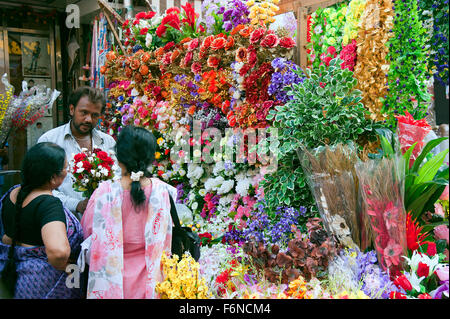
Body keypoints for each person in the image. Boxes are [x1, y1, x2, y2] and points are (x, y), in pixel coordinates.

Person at [80, 126, 176, 299]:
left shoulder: (104, 191)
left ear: (118, 157)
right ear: (150, 158)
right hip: (151, 278)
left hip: (110, 279)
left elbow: (87, 232)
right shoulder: (161, 190)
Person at [0, 142, 84, 298]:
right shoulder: (48, 205)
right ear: (53, 177)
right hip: (45, 284)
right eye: (65, 168)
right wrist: (68, 266)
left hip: (15, 276)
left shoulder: (13, 193)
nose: (68, 171)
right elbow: (58, 252)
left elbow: (8, 237)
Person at [37, 87, 118, 217]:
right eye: (84, 112)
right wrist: (76, 204)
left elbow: (117, 180)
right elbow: (41, 188)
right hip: (63, 224)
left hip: (102, 224)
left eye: (94, 115)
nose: (88, 119)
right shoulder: (50, 140)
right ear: (71, 109)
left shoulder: (107, 142)